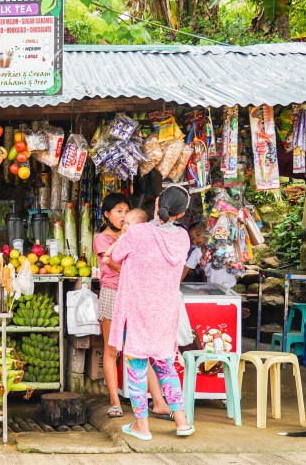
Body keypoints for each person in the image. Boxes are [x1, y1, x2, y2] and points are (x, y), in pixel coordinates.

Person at [106, 186, 194, 440]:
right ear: (180, 214)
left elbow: (118, 255)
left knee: (136, 367)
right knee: (166, 365)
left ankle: (141, 427)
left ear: (157, 204)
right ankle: (181, 422)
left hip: (139, 308)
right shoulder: (182, 238)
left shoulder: (139, 233)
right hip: (165, 309)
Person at [94, 195, 173, 420]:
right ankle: (115, 402)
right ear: (107, 214)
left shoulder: (137, 236)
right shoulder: (103, 239)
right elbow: (119, 265)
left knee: (141, 348)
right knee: (111, 350)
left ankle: (158, 402)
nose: (122, 216)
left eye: (126, 211)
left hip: (135, 296)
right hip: (113, 294)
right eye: (118, 211)